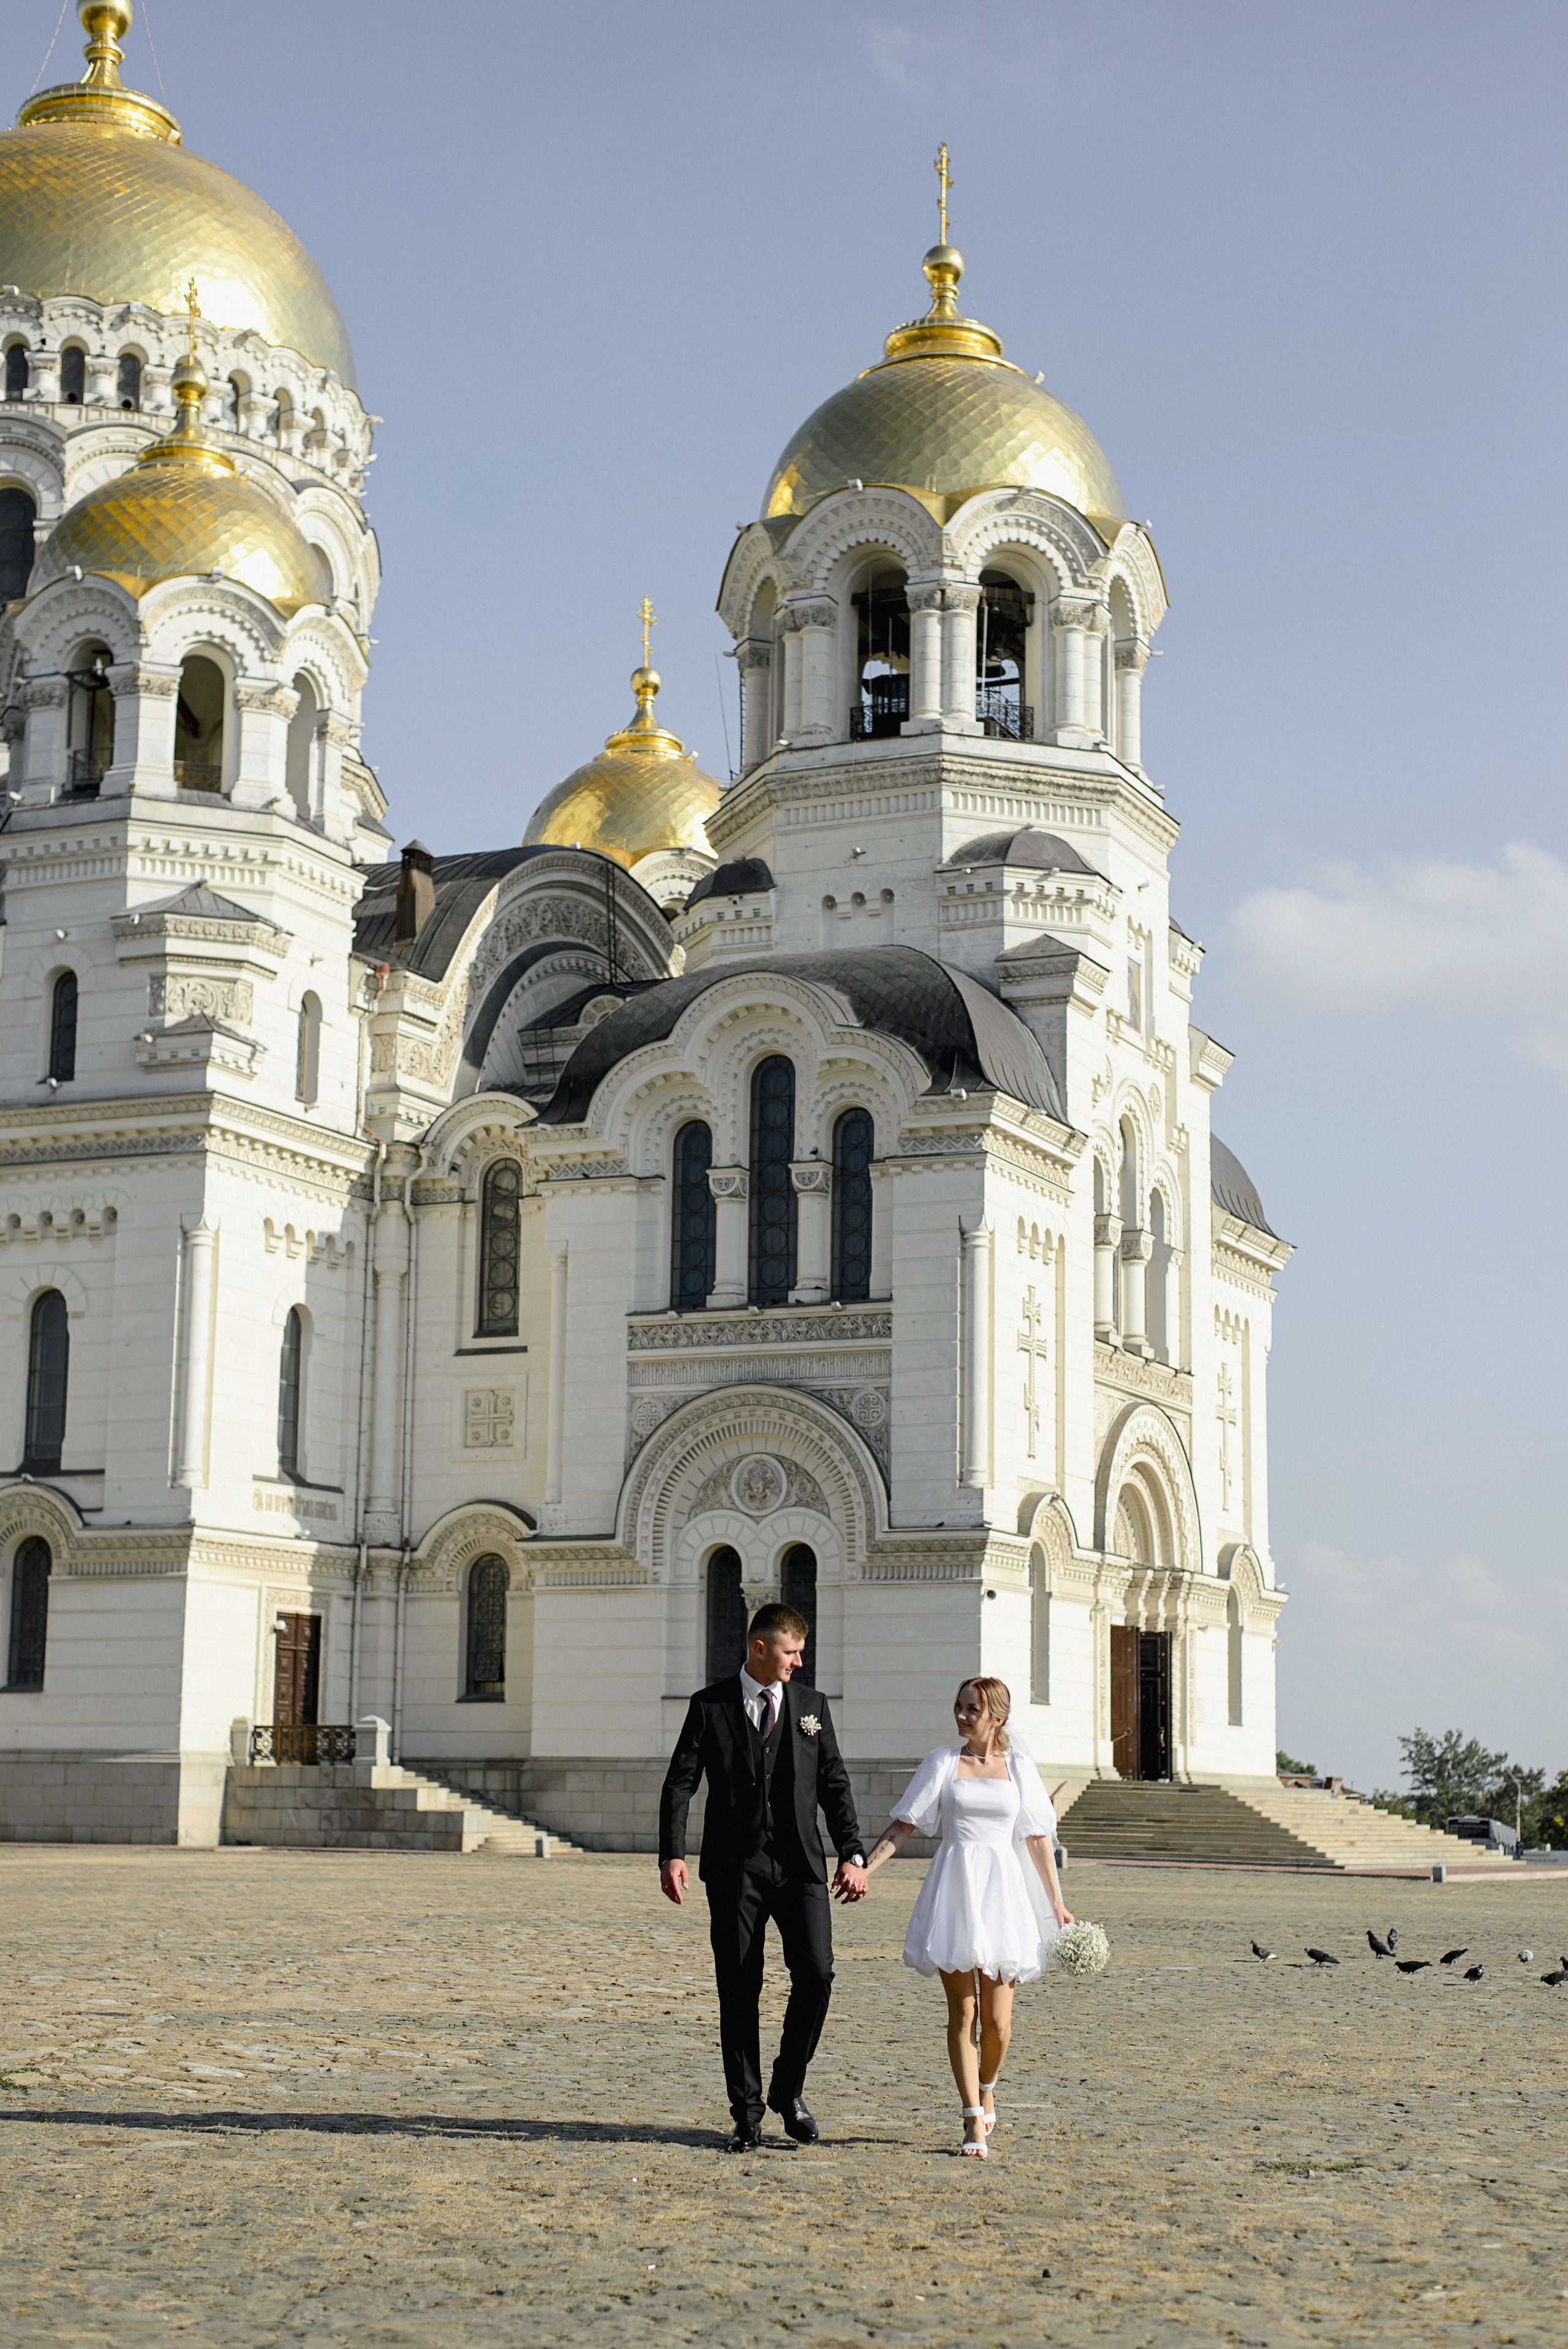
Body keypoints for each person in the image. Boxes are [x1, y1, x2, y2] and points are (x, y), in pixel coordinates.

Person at [658, 1602, 868, 2152]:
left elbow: (835, 1785)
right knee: (739, 1988)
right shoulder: (710, 1707)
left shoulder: (811, 1707)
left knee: (818, 1973)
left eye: (800, 1652)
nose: (799, 1662)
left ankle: (788, 2088)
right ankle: (746, 2114)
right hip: (733, 1869)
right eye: (791, 1652)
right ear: (760, 1648)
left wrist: (853, 1852)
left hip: (801, 1865)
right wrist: (672, 1854)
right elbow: (680, 1781)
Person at [862, 1674, 1074, 2158]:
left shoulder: (1020, 1769)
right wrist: (868, 1868)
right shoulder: (943, 1762)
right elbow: (906, 1823)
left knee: (999, 2024)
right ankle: (972, 2120)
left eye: (972, 1709)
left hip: (1002, 1893)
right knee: (964, 2012)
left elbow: (1038, 1839)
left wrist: (1057, 1903)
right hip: (956, 1887)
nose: (961, 1716)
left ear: (997, 1717)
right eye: (958, 1706)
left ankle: (988, 2084)